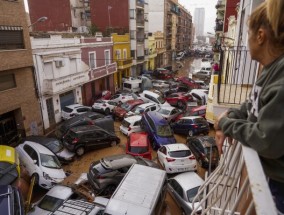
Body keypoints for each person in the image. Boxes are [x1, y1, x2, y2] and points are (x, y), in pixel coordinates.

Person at [214, 0, 284, 213]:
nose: (246, 40)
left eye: (248, 33)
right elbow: (251, 104)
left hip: (279, 188)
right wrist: (231, 116)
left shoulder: (280, 77)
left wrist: (226, 123)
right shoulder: (269, 70)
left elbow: (266, 140)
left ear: (260, 36)